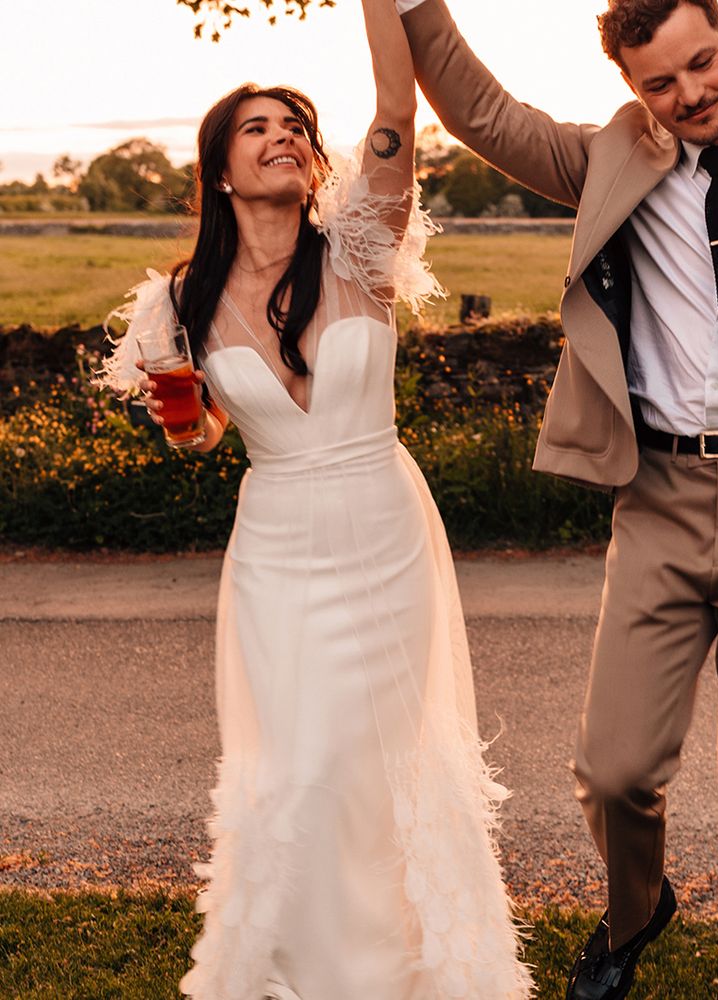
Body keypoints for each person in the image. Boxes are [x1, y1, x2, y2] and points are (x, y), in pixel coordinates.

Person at [394, 1, 718, 998]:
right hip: (658, 496)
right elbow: (480, 111)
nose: (689, 95)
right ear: (631, 88)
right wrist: (415, 10)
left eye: (700, 64)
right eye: (659, 83)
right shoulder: (612, 160)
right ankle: (636, 905)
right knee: (613, 769)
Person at [96, 2, 534, 998]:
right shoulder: (180, 303)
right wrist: (179, 414)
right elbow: (200, 436)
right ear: (219, 170)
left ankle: (415, 970)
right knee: (297, 762)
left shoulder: (359, 253)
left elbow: (393, 107)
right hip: (277, 546)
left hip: (382, 526)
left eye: (294, 124)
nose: (283, 135)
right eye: (257, 127)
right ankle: (296, 969)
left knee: (381, 757)